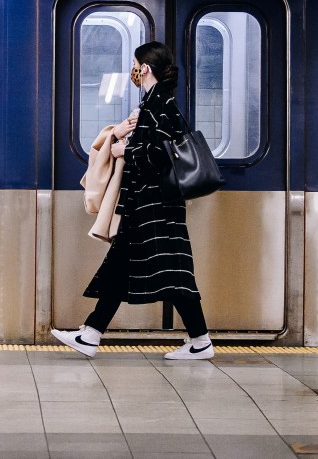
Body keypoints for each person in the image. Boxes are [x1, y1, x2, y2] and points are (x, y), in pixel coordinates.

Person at [52, 41, 214, 360]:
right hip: (149, 204)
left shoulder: (159, 104)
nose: (133, 71)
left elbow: (159, 155)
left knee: (172, 270)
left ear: (146, 69)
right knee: (127, 267)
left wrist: (124, 150)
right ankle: (92, 333)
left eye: (135, 65)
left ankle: (200, 340)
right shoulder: (155, 102)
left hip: (155, 205)